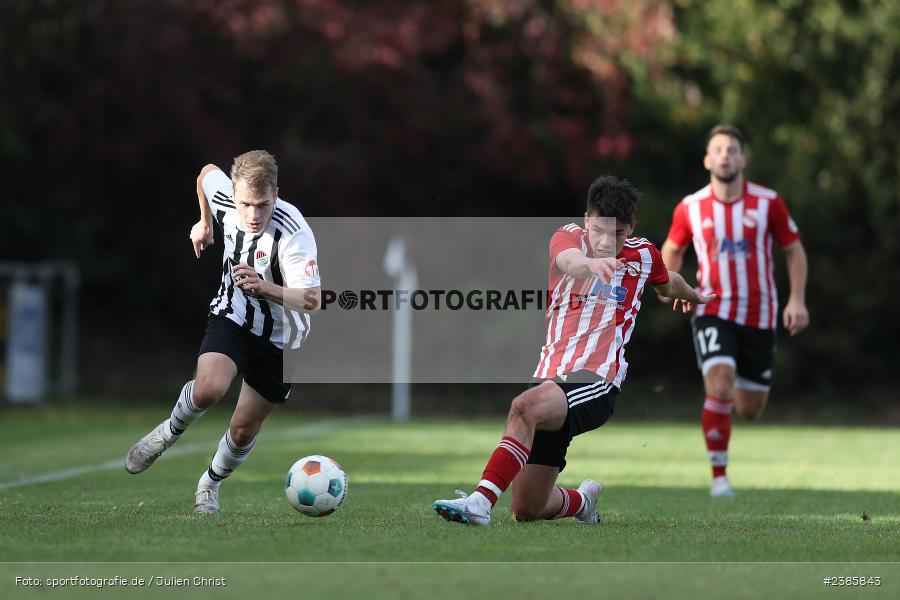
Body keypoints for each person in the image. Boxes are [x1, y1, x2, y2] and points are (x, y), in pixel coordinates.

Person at [432, 175, 714, 526]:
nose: (605, 242)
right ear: (586, 219)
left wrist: (693, 295)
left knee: (523, 407)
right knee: (527, 509)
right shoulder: (567, 238)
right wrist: (590, 265)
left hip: (597, 380)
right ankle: (582, 501)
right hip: (552, 378)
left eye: (617, 235)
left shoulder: (643, 254)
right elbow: (568, 261)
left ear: (632, 229)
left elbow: (667, 280)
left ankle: (479, 503)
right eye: (598, 231)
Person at [125, 150, 321, 514]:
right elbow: (205, 173)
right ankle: (167, 433)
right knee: (209, 388)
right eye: (245, 204)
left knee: (243, 430)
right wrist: (205, 223)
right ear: (233, 195)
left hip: (282, 339)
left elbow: (312, 299)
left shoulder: (293, 232)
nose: (253, 215)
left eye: (262, 205)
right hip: (233, 315)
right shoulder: (225, 199)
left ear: (276, 195)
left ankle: (209, 484)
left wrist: (265, 287)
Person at [660, 124, 809, 497]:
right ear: (708, 160)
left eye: (732, 150)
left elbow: (794, 250)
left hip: (759, 314)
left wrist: (796, 299)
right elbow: (672, 249)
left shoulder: (768, 203)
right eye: (718, 150)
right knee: (720, 382)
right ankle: (720, 479)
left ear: (742, 159)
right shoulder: (690, 207)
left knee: (750, 409)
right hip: (712, 308)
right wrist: (667, 285)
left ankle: (728, 442)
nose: (725, 155)